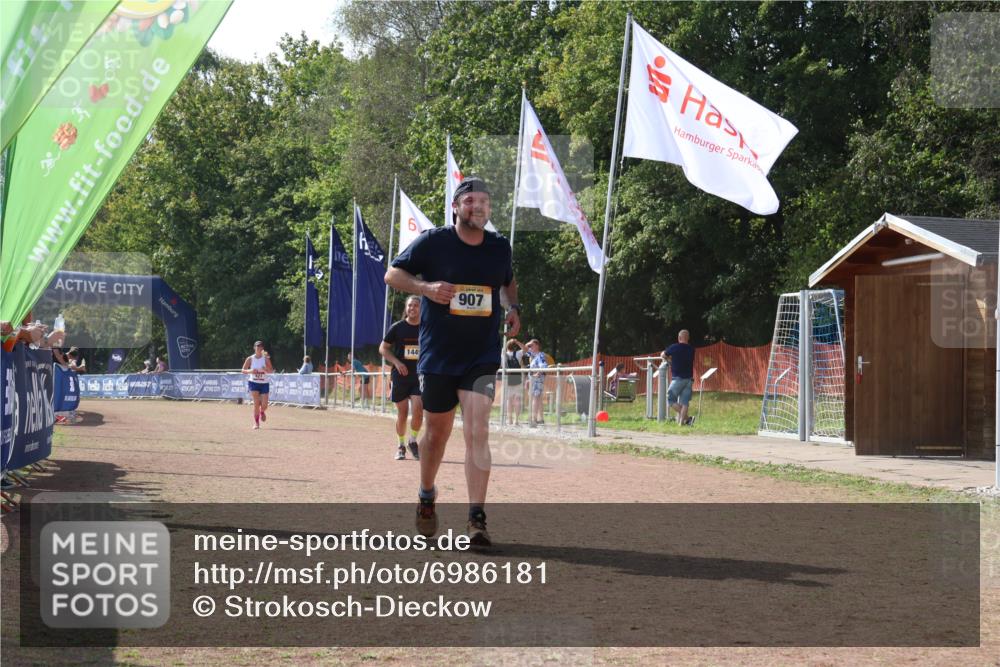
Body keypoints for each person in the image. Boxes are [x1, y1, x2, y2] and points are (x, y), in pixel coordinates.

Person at [386, 176, 520, 547]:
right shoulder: (434, 242)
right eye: (471, 201)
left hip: (481, 354)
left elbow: (508, 283)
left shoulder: (498, 248)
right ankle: (427, 494)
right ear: (456, 207)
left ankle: (476, 518)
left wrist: (513, 308)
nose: (479, 207)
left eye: (485, 203)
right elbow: (392, 274)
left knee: (478, 429)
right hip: (439, 355)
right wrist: (426, 288)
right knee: (437, 434)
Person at [380, 295, 423, 461]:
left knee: (418, 411)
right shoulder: (397, 327)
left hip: (419, 376)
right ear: (406, 308)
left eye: (416, 306)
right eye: (410, 306)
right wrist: (397, 362)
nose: (412, 308)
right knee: (403, 413)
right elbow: (383, 348)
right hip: (400, 376)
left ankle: (413, 441)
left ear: (421, 309)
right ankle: (400, 445)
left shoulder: (425, 327)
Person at [661, 329, 695, 425]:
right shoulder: (692, 349)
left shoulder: (674, 347)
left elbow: (663, 355)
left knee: (670, 398)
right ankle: (681, 424)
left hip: (678, 378)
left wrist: (668, 358)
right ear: (688, 338)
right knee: (685, 402)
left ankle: (687, 418)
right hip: (689, 379)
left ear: (679, 338)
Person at [242, 340, 273, 430]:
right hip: (253, 383)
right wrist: (251, 371)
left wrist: (265, 369)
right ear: (254, 348)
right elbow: (243, 370)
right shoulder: (250, 358)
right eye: (257, 346)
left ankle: (262, 411)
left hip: (264, 383)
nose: (258, 348)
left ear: (262, 348)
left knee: (264, 405)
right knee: (256, 404)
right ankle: (256, 423)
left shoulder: (266, 359)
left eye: (260, 346)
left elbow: (271, 371)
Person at [503, 339, 528, 425]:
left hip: (507, 378)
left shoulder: (503, 354)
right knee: (517, 399)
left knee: (509, 400)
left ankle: (509, 419)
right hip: (517, 378)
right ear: (515, 347)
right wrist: (517, 342)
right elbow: (526, 349)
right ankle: (516, 420)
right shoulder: (517, 354)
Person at [526, 339, 547, 426]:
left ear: (537, 346)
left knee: (535, 398)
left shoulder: (540, 355)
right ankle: (540, 418)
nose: (530, 347)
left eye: (532, 345)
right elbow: (525, 349)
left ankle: (534, 419)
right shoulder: (533, 355)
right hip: (534, 379)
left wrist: (537, 373)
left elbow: (544, 366)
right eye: (530, 346)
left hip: (537, 379)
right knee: (538, 399)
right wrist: (529, 344)